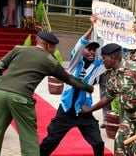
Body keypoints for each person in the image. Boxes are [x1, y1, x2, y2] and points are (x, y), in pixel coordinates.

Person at [0, 31, 94, 156]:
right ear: (49, 46)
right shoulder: (49, 60)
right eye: (54, 48)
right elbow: (68, 79)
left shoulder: (19, 49)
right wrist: (88, 88)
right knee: (29, 139)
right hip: (21, 98)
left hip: (0, 93)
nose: (54, 51)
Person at [39, 15, 106, 156]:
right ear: (83, 51)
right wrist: (91, 27)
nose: (92, 52)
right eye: (89, 49)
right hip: (66, 110)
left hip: (84, 110)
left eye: (94, 50)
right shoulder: (75, 62)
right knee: (51, 141)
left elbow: (113, 58)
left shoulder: (98, 66)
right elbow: (80, 44)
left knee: (98, 143)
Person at [82, 43, 136, 155]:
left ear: (113, 58)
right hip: (128, 116)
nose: (102, 60)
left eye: (104, 58)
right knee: (120, 146)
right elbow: (108, 97)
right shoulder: (111, 75)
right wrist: (90, 109)